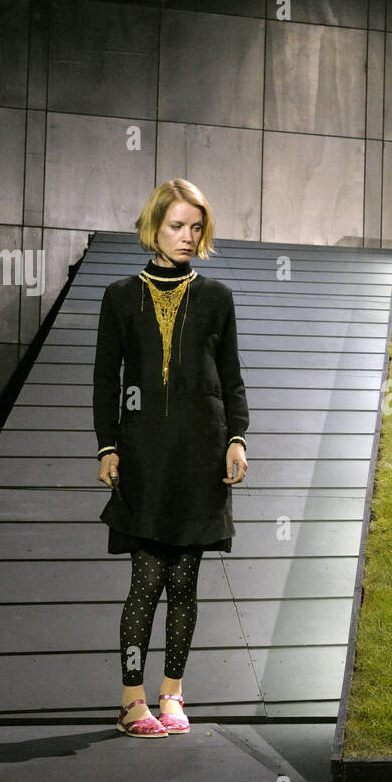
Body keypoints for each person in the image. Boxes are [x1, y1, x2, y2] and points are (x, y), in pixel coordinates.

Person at [92, 178, 250, 738]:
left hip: (201, 456)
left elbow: (231, 376)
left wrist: (237, 437)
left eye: (196, 226)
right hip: (144, 460)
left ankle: (173, 696)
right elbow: (104, 379)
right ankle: (132, 702)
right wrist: (107, 445)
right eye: (177, 226)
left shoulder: (217, 298)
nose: (187, 236)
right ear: (154, 228)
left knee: (186, 582)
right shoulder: (118, 296)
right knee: (147, 581)